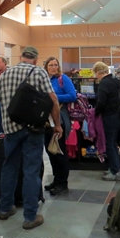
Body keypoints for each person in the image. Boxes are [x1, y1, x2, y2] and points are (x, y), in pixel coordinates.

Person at [0, 46, 62, 230]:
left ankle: (5, 208)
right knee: (31, 171)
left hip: (10, 130)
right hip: (33, 130)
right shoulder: (39, 73)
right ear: (36, 59)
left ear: (20, 57)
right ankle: (30, 216)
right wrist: (57, 125)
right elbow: (53, 101)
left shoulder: (6, 73)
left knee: (9, 167)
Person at [43, 57, 75, 195]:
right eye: (51, 65)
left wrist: (54, 97)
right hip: (46, 121)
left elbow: (72, 96)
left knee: (59, 151)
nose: (54, 67)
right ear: (46, 67)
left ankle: (63, 182)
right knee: (51, 151)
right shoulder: (45, 80)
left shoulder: (63, 79)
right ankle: (57, 179)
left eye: (56, 65)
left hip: (59, 119)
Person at [93, 61, 120, 181]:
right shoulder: (115, 81)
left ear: (98, 72)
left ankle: (114, 171)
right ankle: (117, 166)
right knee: (114, 142)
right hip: (119, 116)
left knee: (109, 144)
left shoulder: (104, 84)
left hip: (109, 116)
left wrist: (94, 113)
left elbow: (101, 102)